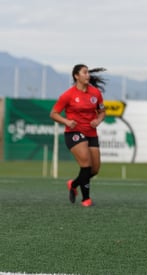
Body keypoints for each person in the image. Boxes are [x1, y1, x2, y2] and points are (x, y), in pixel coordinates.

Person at [50, 64, 106, 207]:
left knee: (94, 169)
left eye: (88, 73)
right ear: (76, 76)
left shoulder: (96, 93)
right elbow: (53, 114)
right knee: (86, 165)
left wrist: (98, 120)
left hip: (91, 133)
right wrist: (67, 122)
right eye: (84, 72)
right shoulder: (68, 95)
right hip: (74, 133)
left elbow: (102, 112)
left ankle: (73, 184)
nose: (88, 75)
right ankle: (86, 199)